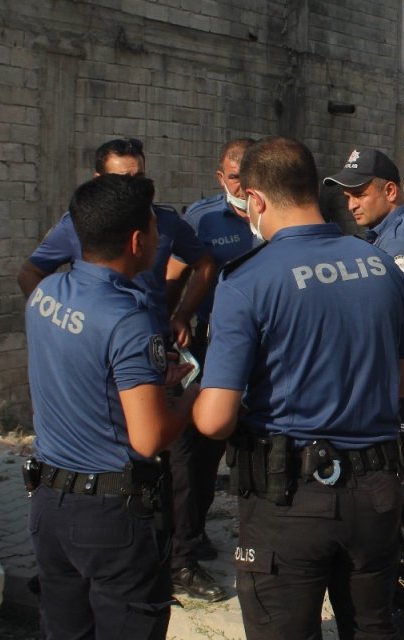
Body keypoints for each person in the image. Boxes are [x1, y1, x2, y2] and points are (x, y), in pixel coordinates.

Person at [192, 136, 404, 639]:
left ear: (254, 200)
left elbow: (214, 419)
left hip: (290, 500)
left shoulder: (247, 281)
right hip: (377, 494)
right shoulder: (379, 265)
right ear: (312, 190)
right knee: (371, 628)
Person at [25, 173, 197, 638]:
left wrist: (143, 380)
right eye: (157, 230)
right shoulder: (129, 320)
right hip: (110, 518)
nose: (161, 239)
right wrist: (193, 395)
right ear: (138, 240)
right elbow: (149, 437)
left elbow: (81, 369)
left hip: (49, 506)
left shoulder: (44, 296)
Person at [324, 147, 404, 636]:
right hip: (391, 371)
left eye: (359, 192)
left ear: (389, 191)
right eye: (347, 194)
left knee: (387, 492)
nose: (351, 203)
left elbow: (369, 299)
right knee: (382, 489)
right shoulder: (379, 236)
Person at [166, 138, 260, 602]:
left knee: (246, 454)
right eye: (233, 176)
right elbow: (175, 278)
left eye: (248, 175)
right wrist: (177, 321)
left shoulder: (277, 215)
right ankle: (180, 555)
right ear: (220, 177)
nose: (240, 185)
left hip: (264, 360)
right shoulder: (201, 220)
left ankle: (221, 539)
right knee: (194, 457)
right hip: (210, 354)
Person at [17, 138, 216, 344]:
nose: (133, 188)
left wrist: (181, 316)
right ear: (98, 180)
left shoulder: (164, 220)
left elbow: (204, 264)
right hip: (96, 345)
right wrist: (57, 323)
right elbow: (30, 272)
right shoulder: (78, 224)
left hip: (150, 342)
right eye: (121, 180)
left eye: (139, 177)